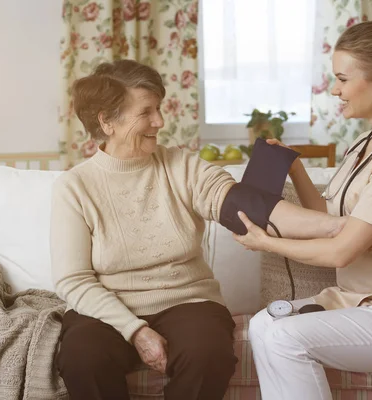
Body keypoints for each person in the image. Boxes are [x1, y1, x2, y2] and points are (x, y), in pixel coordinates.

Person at [50, 59, 346, 400]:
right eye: (146, 112)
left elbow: (244, 208)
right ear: (107, 121)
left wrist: (337, 225)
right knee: (81, 358)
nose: (159, 121)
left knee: (208, 353)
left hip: (187, 301)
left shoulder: (180, 165)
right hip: (107, 306)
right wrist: (136, 331)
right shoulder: (74, 187)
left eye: (159, 109)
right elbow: (74, 280)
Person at [233, 21, 372, 399]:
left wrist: (266, 243)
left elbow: (343, 249)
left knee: (284, 337)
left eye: (343, 80)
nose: (335, 90)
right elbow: (328, 216)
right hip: (359, 302)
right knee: (262, 324)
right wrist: (295, 166)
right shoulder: (364, 146)